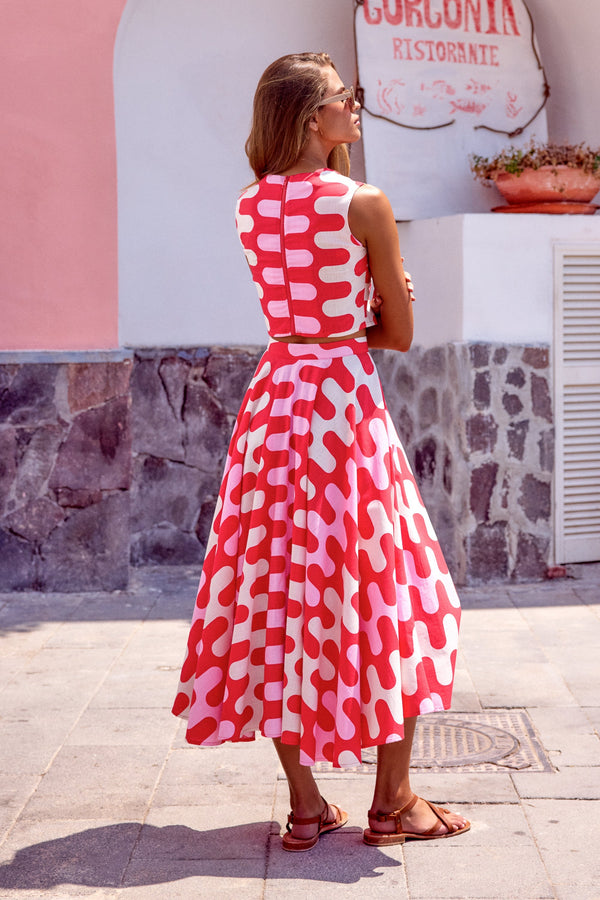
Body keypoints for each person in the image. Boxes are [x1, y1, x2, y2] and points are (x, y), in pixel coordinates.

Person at [172, 51, 470, 852]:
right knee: (388, 585)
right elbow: (396, 337)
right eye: (348, 99)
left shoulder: (249, 207)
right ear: (315, 117)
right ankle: (394, 802)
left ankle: (306, 807)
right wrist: (387, 300)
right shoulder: (362, 201)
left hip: (275, 404)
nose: (357, 109)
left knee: (270, 589)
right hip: (341, 404)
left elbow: (299, 310)